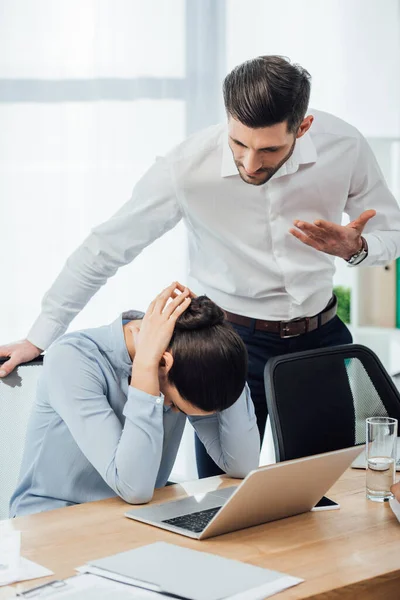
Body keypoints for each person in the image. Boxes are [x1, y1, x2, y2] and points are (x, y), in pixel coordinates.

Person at [2, 56, 400, 478]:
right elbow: (107, 247)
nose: (250, 164)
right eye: (238, 144)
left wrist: (356, 249)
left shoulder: (345, 146)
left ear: (302, 128)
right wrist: (40, 335)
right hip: (230, 347)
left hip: (320, 339)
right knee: (220, 494)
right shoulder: (186, 167)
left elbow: (391, 236)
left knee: (328, 488)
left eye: (269, 149)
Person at [10, 283, 259, 517]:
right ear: (164, 363)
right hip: (52, 521)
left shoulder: (184, 357)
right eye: (174, 405)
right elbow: (134, 488)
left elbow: (242, 464)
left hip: (133, 517)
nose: (169, 409)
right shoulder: (72, 359)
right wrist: (145, 368)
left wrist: (221, 348)